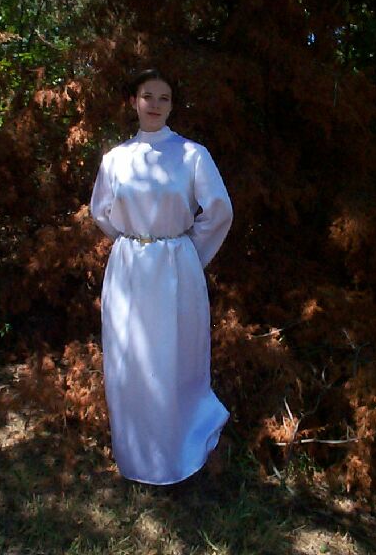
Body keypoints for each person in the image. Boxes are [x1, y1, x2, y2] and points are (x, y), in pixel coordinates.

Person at [90, 69, 233, 485]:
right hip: (129, 272)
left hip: (175, 272)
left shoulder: (192, 155)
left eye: (163, 98)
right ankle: (136, 457)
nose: (154, 104)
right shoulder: (115, 159)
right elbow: (101, 211)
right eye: (147, 96)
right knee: (129, 362)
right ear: (133, 101)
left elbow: (219, 211)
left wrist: (186, 253)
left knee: (174, 360)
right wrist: (134, 244)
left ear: (172, 105)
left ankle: (178, 452)